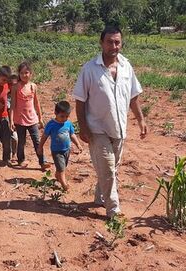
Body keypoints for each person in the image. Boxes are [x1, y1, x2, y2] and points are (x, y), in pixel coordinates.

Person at [72, 26, 148, 219]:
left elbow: (133, 97)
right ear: (101, 43)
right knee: (107, 170)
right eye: (109, 41)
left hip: (119, 128)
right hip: (97, 129)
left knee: (112, 169)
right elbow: (80, 101)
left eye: (117, 42)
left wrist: (141, 120)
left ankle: (99, 197)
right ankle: (114, 211)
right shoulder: (89, 69)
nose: (114, 46)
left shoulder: (126, 67)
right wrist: (83, 127)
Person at [9, 61, 50, 171]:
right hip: (20, 119)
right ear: (19, 74)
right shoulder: (15, 87)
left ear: (30, 73)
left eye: (26, 73)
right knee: (21, 142)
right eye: (22, 73)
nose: (24, 75)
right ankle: (21, 160)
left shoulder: (33, 86)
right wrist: (11, 121)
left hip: (32, 119)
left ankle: (42, 161)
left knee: (37, 141)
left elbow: (37, 103)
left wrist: (40, 118)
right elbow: (12, 105)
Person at [38, 101, 82, 191]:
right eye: (62, 116)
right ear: (55, 113)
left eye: (66, 116)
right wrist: (40, 146)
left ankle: (57, 175)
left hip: (67, 150)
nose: (64, 119)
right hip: (56, 151)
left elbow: (72, 134)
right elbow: (44, 136)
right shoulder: (51, 124)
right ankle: (64, 184)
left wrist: (78, 144)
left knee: (62, 167)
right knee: (62, 168)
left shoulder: (68, 124)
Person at [8, 73, 19, 162]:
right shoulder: (6, 95)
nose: (12, 87)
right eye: (10, 84)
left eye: (14, 84)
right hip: (5, 120)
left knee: (15, 137)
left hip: (16, 121)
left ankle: (14, 154)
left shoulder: (20, 95)